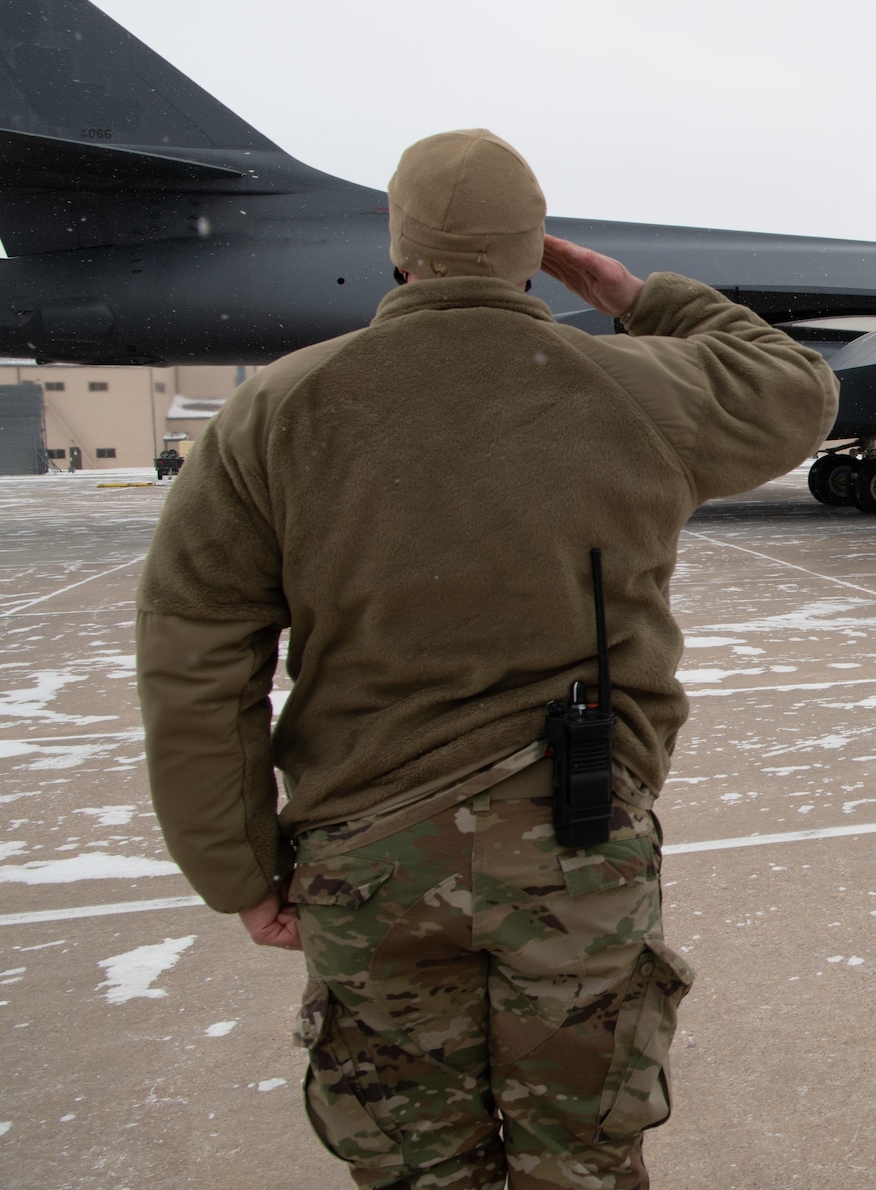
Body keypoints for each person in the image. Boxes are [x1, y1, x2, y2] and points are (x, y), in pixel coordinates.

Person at [136, 129, 838, 1189]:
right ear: (533, 247)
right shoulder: (636, 383)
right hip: (577, 832)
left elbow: (196, 650)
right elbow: (794, 387)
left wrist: (233, 866)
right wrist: (633, 292)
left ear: (397, 248)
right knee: (583, 1157)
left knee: (415, 1163)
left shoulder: (278, 408)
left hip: (366, 855)